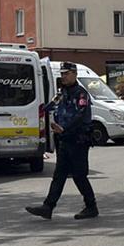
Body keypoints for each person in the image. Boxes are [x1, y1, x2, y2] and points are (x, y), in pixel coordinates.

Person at [26, 62, 98, 220]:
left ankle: (91, 207)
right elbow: (49, 107)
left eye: (66, 74)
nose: (63, 77)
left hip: (78, 139)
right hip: (64, 140)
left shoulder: (81, 94)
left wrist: (64, 129)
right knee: (59, 175)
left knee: (79, 175)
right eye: (62, 74)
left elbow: (80, 116)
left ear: (74, 74)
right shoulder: (62, 93)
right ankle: (48, 207)